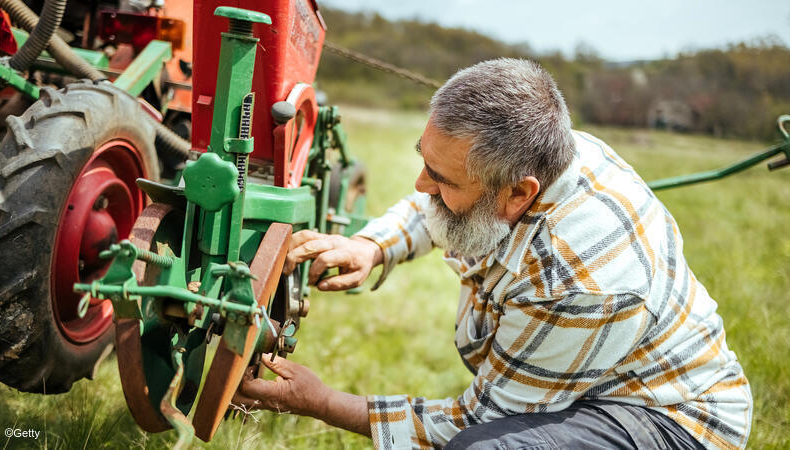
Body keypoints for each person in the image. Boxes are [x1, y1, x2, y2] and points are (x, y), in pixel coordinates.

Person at [234, 58, 752, 449]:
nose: (420, 185)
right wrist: (372, 245)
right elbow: (440, 207)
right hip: (589, 372)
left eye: (440, 179)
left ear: (518, 195)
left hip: (671, 419)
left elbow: (479, 419)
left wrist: (325, 404)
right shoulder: (545, 151)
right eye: (425, 161)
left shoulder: (578, 283)